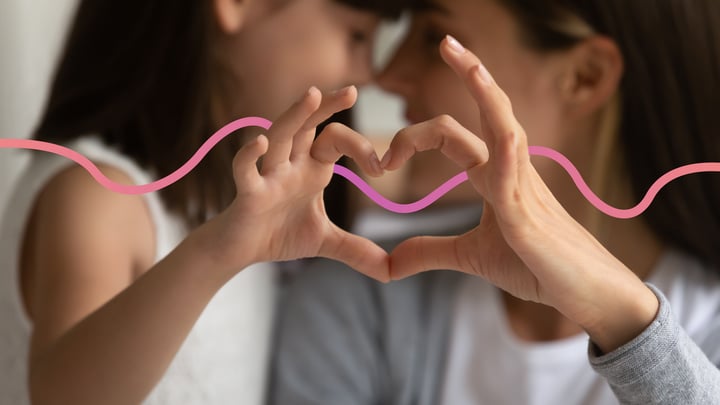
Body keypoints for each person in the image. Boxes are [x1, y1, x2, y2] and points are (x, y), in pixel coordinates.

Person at [269, 0, 720, 404]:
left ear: (586, 78)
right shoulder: (359, 301)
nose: (384, 75)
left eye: (431, 37)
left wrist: (627, 325)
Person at [0, 0, 409, 404]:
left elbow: (406, 172)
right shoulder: (96, 199)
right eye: (357, 35)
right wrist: (217, 252)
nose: (367, 74)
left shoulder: (241, 181)